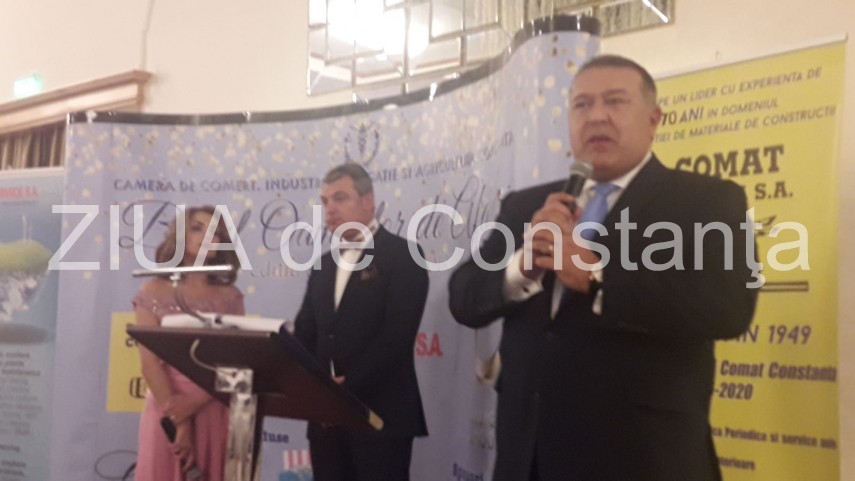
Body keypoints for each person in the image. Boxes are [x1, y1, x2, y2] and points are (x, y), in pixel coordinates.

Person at [449, 55, 759, 481]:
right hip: (529, 457)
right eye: (582, 104)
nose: (596, 116)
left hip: (642, 458)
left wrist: (597, 277)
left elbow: (728, 307)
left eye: (615, 101)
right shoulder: (527, 205)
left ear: (653, 119)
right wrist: (523, 267)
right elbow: (464, 298)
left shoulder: (706, 200)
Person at [286, 163, 429, 481]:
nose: (330, 209)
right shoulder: (323, 266)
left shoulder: (404, 255)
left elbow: (397, 337)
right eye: (325, 201)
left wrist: (341, 392)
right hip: (326, 421)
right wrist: (310, 385)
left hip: (381, 417)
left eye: (340, 198)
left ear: (368, 201)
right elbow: (306, 332)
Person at [133, 205, 244, 481]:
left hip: (213, 405)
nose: (208, 237)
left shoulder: (231, 296)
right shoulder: (151, 291)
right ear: (180, 235)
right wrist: (179, 420)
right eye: (197, 228)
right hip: (167, 407)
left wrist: (196, 401)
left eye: (215, 233)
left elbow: (235, 362)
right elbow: (149, 364)